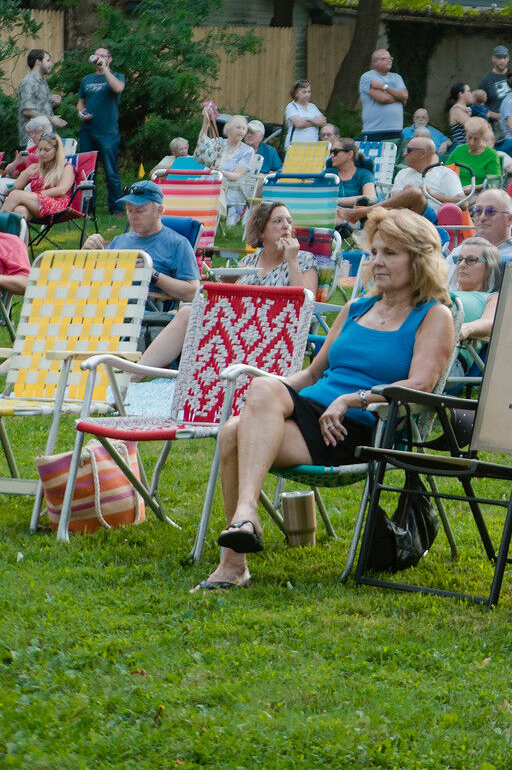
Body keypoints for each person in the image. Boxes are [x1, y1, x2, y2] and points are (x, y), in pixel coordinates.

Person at [192, 208, 453, 591]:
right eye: (375, 252)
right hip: (313, 412)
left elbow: (419, 385)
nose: (377, 262)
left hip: (359, 427)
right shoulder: (356, 308)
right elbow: (312, 375)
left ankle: (234, 562)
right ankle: (244, 522)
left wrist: (351, 399)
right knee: (251, 405)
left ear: (420, 259)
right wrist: (275, 386)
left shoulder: (434, 315)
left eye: (390, 253)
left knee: (234, 432)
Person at [138, 202, 319, 369]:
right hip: (240, 325)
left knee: (187, 313)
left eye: (289, 221)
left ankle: (137, 373)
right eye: (278, 221)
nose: (286, 225)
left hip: (277, 329)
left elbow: (306, 305)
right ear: (261, 231)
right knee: (187, 312)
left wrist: (292, 260)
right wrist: (224, 282)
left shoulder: (303, 259)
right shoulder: (249, 262)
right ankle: (137, 374)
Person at [81, 181, 200, 303]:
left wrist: (152, 274)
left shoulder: (178, 244)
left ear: (159, 211)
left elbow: (193, 292)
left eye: (140, 211)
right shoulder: (119, 241)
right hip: (104, 307)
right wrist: (86, 256)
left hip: (144, 315)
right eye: (129, 210)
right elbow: (86, 282)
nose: (132, 216)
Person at [341, 136, 464, 225]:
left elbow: (463, 203)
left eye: (409, 150)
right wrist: (405, 195)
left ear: (422, 154)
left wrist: (430, 195)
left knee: (415, 193)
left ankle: (360, 214)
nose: (404, 153)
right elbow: (394, 203)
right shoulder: (403, 173)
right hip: (400, 219)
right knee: (408, 195)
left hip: (430, 222)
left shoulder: (444, 173)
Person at [76, 45, 126, 214]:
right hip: (88, 131)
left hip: (108, 133)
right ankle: (88, 209)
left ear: (109, 59)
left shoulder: (116, 76)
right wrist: (81, 112)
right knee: (88, 172)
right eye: (96, 55)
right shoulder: (87, 80)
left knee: (111, 171)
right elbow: (81, 101)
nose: (98, 58)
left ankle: (117, 208)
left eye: (102, 56)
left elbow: (118, 88)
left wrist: (105, 70)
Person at [445, 189, 512, 277]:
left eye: (490, 211)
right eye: (478, 211)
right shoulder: (459, 253)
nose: (482, 217)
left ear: (509, 219)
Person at [0, 131, 72, 225]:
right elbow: (15, 187)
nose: (42, 153)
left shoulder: (66, 168)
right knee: (20, 211)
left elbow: (61, 190)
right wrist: (11, 186)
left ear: (56, 151)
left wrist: (35, 195)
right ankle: (15, 239)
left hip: (56, 205)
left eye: (46, 150)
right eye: (40, 149)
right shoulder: (34, 168)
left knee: (16, 195)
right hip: (35, 205)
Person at [448, 236, 502, 352]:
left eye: (471, 260)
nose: (462, 264)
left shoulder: (492, 297)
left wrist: (467, 328)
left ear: (489, 269)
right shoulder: (445, 291)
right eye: (459, 259)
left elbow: (492, 322)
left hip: (450, 355)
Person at [16, 49, 65, 149]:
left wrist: (53, 104)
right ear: (38, 62)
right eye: (47, 60)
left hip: (45, 138)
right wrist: (51, 118)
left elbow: (40, 109)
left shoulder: (42, 82)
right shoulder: (28, 83)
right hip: (31, 141)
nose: (50, 64)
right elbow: (27, 111)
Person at [358, 49, 408, 142]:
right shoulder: (368, 77)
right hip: (374, 130)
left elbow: (404, 96)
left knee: (395, 156)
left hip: (396, 129)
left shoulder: (396, 77)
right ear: (375, 62)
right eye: (384, 58)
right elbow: (383, 98)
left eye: (390, 58)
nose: (389, 60)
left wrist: (383, 87)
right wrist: (398, 97)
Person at [444, 117, 501, 188]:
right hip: (455, 191)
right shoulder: (459, 150)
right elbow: (446, 174)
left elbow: (493, 184)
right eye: (469, 138)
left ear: (483, 137)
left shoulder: (491, 154)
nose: (471, 142)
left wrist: (475, 187)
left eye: (476, 139)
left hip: (478, 194)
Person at [328, 138, 376, 212]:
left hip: (355, 216)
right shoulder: (329, 174)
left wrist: (337, 200)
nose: (331, 155)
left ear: (350, 154)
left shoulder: (364, 174)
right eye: (331, 152)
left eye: (335, 152)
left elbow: (370, 197)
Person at [479, 45, 512, 135]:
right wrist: (498, 116)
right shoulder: (486, 80)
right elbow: (480, 106)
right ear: (493, 58)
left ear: (508, 58)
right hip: (496, 126)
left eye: (504, 57)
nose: (502, 61)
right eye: (499, 58)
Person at [283, 80, 325, 144]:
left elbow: (323, 120)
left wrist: (308, 120)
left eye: (309, 92)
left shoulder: (312, 106)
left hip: (313, 145)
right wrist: (315, 121)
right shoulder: (291, 107)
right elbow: (298, 124)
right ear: (296, 93)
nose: (307, 95)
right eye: (304, 92)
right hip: (295, 146)